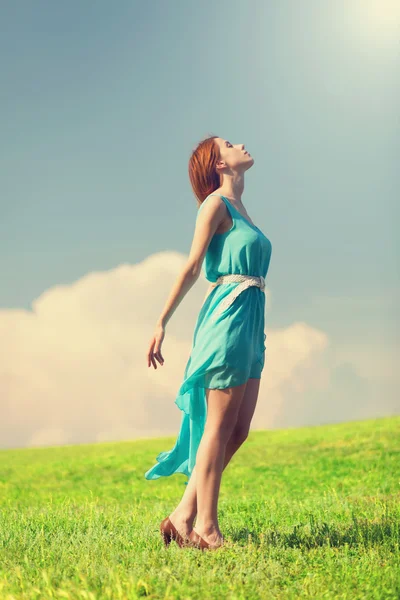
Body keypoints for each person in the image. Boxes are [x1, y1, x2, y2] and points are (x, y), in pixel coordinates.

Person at [145, 134, 272, 551]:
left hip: (252, 320)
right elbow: (192, 266)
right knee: (218, 425)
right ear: (219, 164)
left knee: (238, 430)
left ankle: (181, 516)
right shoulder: (214, 205)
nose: (241, 145)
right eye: (230, 143)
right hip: (228, 318)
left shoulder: (241, 209)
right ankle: (206, 526)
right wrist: (161, 321)